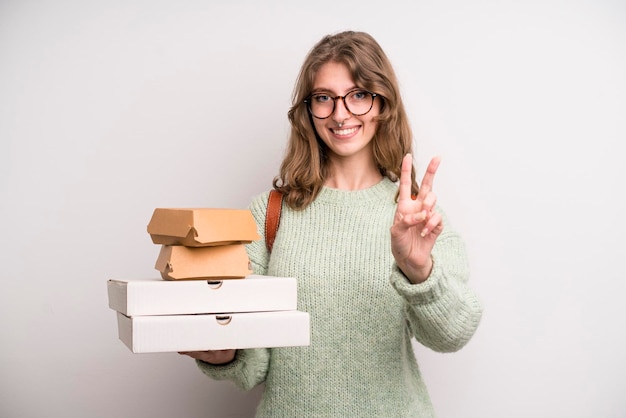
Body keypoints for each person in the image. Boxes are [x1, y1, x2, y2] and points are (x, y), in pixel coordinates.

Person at [180, 30, 483, 417]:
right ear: (308, 110)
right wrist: (223, 353)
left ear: (383, 104)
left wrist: (418, 271)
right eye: (324, 98)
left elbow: (453, 334)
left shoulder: (415, 217)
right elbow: (254, 362)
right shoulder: (268, 214)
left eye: (358, 95)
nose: (340, 115)